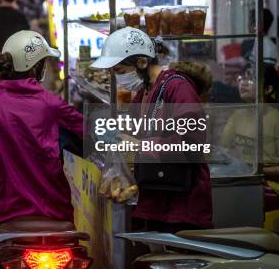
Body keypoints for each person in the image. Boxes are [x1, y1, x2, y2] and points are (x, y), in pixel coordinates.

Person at [0, 30, 83, 269]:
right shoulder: (52, 104)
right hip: (56, 213)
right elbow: (89, 137)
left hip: (4, 215)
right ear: (36, 68)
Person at [91, 27, 213, 233]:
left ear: (142, 62)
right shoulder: (146, 91)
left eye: (120, 71)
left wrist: (139, 145)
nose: (119, 79)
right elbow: (136, 127)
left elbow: (192, 144)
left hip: (181, 205)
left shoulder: (178, 87)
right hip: (156, 200)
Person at [222, 64, 279, 213]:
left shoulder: (276, 120)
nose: (243, 82)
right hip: (250, 179)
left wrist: (259, 169)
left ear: (268, 89)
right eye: (241, 78)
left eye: (251, 78)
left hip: (276, 186)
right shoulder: (237, 116)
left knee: (231, 196)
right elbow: (223, 149)